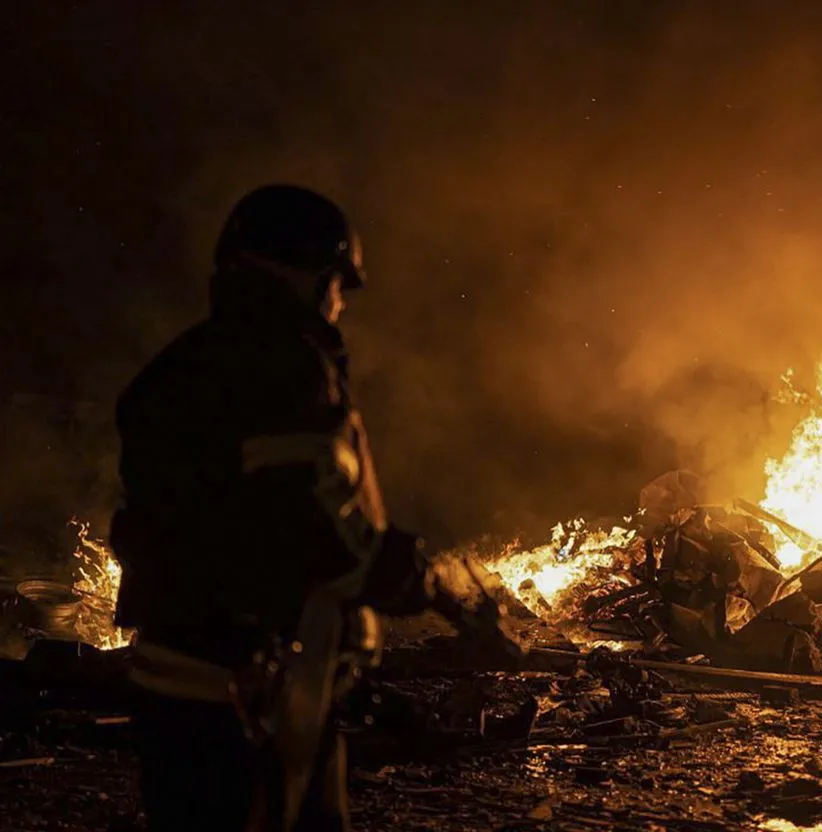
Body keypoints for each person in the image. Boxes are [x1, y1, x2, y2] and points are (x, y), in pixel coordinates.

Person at [109, 184, 521, 831]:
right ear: (302, 272)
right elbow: (307, 526)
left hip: (177, 679)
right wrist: (417, 580)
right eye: (335, 283)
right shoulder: (284, 365)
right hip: (253, 689)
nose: (338, 304)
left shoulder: (176, 369)